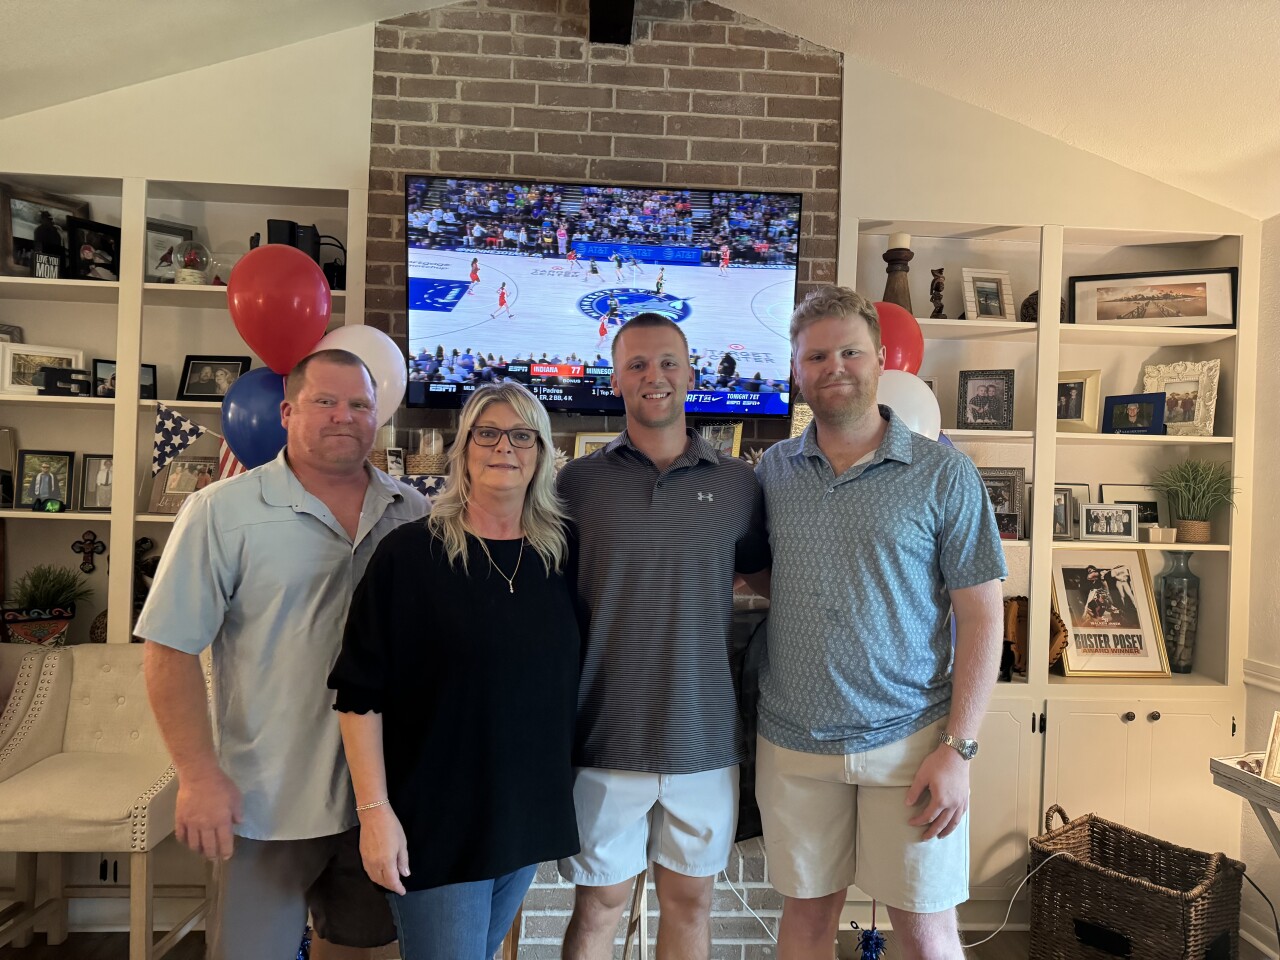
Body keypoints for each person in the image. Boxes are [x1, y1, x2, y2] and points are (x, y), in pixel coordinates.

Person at [137, 349, 428, 960]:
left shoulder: (415, 514)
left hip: (381, 799)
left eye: (359, 404)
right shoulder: (221, 512)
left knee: (359, 949)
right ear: (289, 411)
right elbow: (169, 651)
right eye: (325, 402)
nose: (343, 417)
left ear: (379, 416)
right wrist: (197, 774)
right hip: (268, 798)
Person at [753, 286, 1006, 960]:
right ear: (797, 370)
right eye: (817, 355)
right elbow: (760, 572)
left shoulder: (943, 474)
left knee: (925, 930)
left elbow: (983, 614)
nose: (835, 366)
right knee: (806, 922)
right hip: (795, 740)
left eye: (850, 351)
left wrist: (960, 747)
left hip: (912, 741)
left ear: (880, 362)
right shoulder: (773, 470)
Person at [329, 383, 580, 960]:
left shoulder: (560, 555)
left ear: (541, 453)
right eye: (486, 433)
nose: (504, 447)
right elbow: (358, 694)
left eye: (521, 435)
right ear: (462, 449)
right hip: (434, 821)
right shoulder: (410, 556)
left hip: (523, 815)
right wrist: (376, 814)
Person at [557, 313, 770, 960]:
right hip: (603, 737)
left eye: (669, 363)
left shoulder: (737, 484)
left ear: (692, 374)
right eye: (639, 365)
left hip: (702, 739)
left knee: (691, 907)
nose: (656, 377)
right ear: (616, 378)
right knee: (598, 908)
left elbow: (765, 577)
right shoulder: (576, 485)